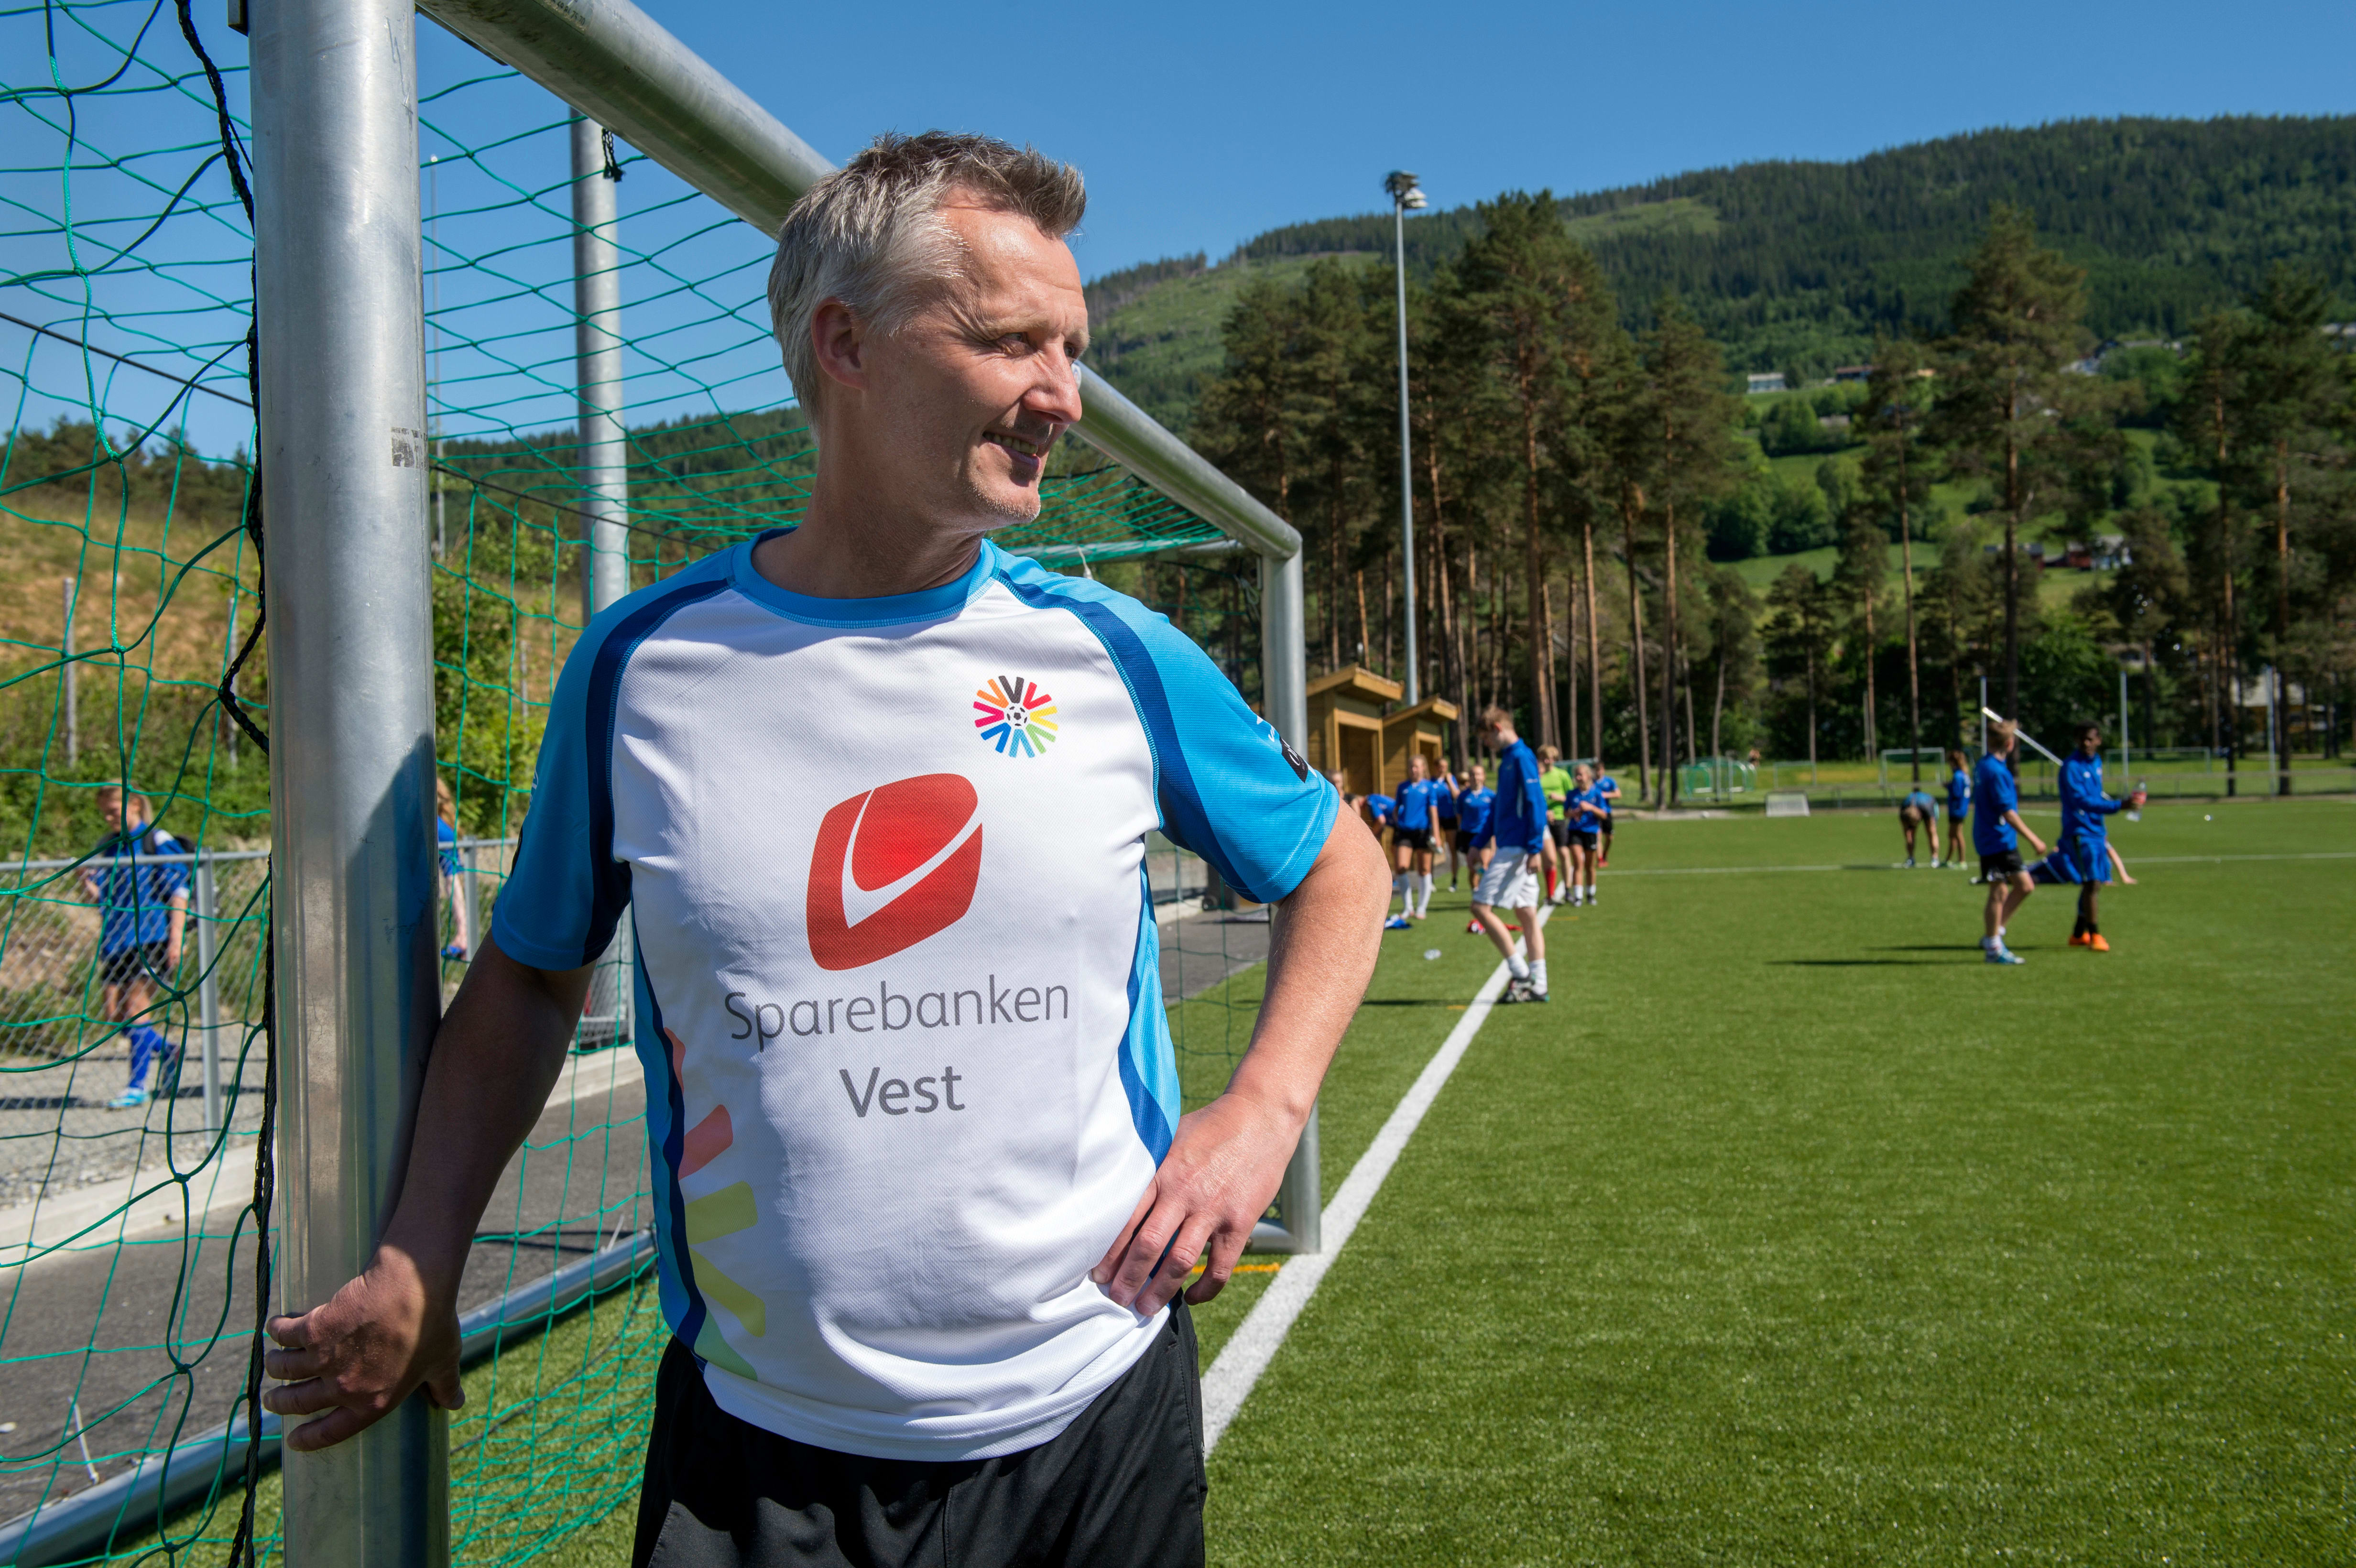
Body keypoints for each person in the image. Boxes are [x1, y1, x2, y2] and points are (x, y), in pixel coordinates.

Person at [258, 132, 1392, 1568]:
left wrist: (1263, 1112)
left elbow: (1338, 863)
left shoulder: (1110, 653)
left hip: (1092, 1422)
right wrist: (424, 1248)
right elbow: (532, 975)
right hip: (759, 1459)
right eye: (1011, 342)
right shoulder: (643, 668)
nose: (1063, 393)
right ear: (845, 345)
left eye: (1071, 348)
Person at [80, 783, 188, 1110]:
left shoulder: (157, 841)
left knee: (136, 1007)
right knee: (114, 1016)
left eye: (113, 811)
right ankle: (168, 1050)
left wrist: (177, 938)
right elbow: (102, 898)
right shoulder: (107, 846)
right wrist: (85, 882)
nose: (108, 818)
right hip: (117, 940)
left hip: (152, 937)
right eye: (104, 813)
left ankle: (136, 1087)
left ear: (135, 805)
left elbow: (179, 891)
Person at [2029, 722, 2146, 951]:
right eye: (2082, 739)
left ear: (2099, 740)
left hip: (2096, 831)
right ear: (2076, 740)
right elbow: (2081, 801)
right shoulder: (2071, 767)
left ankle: (2077, 934)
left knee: (2095, 883)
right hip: (2079, 832)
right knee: (2092, 881)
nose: (2086, 743)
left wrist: (2107, 821)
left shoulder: (2097, 762)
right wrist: (2119, 806)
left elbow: (2095, 796)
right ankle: (2095, 936)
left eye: (2091, 739)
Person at [1470, 707, 1549, 1002]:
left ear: (1497, 728)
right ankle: (1539, 985)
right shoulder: (1508, 760)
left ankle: (1521, 973)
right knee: (1527, 914)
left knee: (1480, 908)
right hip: (1512, 846)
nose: (1486, 744)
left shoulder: (1521, 757)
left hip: (1516, 849)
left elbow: (1536, 803)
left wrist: (1535, 848)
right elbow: (1497, 810)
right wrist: (1479, 842)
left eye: (1486, 738)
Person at [1973, 720, 2049, 965]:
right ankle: (1993, 947)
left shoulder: (1984, 765)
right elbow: (2008, 813)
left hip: (1993, 839)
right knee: (1999, 891)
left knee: (2024, 886)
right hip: (1997, 841)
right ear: (2010, 743)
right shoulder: (1997, 772)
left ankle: (1994, 934)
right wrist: (2034, 838)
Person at [1385, 754, 1439, 928]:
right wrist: (1396, 821)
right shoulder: (1403, 787)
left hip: (1423, 833)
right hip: (1405, 833)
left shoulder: (1429, 787)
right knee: (1401, 867)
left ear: (1423, 768)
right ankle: (1408, 907)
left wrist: (1437, 835)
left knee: (1424, 870)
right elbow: (1396, 809)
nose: (1414, 770)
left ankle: (1422, 908)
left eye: (1417, 766)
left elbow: (1433, 812)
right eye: (1411, 767)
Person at [1454, 764, 1494, 934]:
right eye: (1473, 775)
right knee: (1473, 868)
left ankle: (1486, 898)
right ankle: (1476, 895)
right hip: (1468, 835)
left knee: (1484, 865)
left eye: (1478, 774)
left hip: (1484, 835)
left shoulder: (1491, 796)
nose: (1476, 778)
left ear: (1483, 777)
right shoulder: (1463, 796)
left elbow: (1495, 818)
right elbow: (1459, 816)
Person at [436, 775, 471, 961]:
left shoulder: (436, 825)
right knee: (453, 881)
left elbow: (452, 879)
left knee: (452, 881)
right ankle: (463, 934)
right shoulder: (444, 824)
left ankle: (463, 935)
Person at [1563, 763, 1605, 906]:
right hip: (1575, 831)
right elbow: (1565, 813)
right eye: (1577, 775)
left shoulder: (1597, 793)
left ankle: (1590, 894)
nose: (1578, 778)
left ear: (1588, 776)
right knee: (1578, 863)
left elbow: (1604, 814)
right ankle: (1578, 897)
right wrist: (1573, 813)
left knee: (1590, 866)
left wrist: (1591, 808)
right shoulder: (1572, 794)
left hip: (1591, 831)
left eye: (1581, 775)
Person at [1536, 745, 1573, 904]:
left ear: (1554, 759)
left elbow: (1573, 798)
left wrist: (1559, 798)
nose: (1546, 761)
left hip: (1558, 818)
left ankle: (1568, 889)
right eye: (1543, 758)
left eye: (1549, 758)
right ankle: (1549, 893)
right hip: (1540, 820)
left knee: (1563, 853)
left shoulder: (1562, 775)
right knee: (1545, 858)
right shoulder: (1537, 776)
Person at [1943, 749, 1972, 876]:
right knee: (1952, 834)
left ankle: (1962, 861)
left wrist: (1948, 787)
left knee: (1957, 834)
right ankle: (1948, 860)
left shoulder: (1958, 776)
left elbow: (1957, 793)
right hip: (1961, 809)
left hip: (1957, 809)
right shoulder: (1964, 775)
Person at [1433, 764, 1462, 891]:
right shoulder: (1432, 782)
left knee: (1453, 849)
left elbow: (1457, 796)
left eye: (1445, 767)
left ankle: (1454, 880)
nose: (1442, 769)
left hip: (1450, 818)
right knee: (1432, 848)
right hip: (1436, 819)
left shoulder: (1451, 780)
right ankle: (1430, 881)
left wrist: (1449, 781)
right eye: (1440, 767)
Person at [1898, 784, 1937, 868]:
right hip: (1912, 811)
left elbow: (1932, 830)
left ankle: (1935, 858)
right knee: (1909, 835)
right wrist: (1909, 835)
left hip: (1929, 805)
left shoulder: (1927, 808)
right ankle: (1911, 858)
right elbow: (1907, 834)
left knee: (1931, 832)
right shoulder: (1904, 811)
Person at [1592, 761, 1621, 868]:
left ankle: (1605, 854)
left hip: (1606, 812)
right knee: (1598, 836)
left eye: (1600, 770)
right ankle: (1600, 860)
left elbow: (1618, 794)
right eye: (1596, 770)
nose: (1598, 772)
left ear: (1603, 770)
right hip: (1595, 813)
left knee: (1609, 837)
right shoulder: (1591, 782)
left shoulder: (1609, 781)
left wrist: (1605, 795)